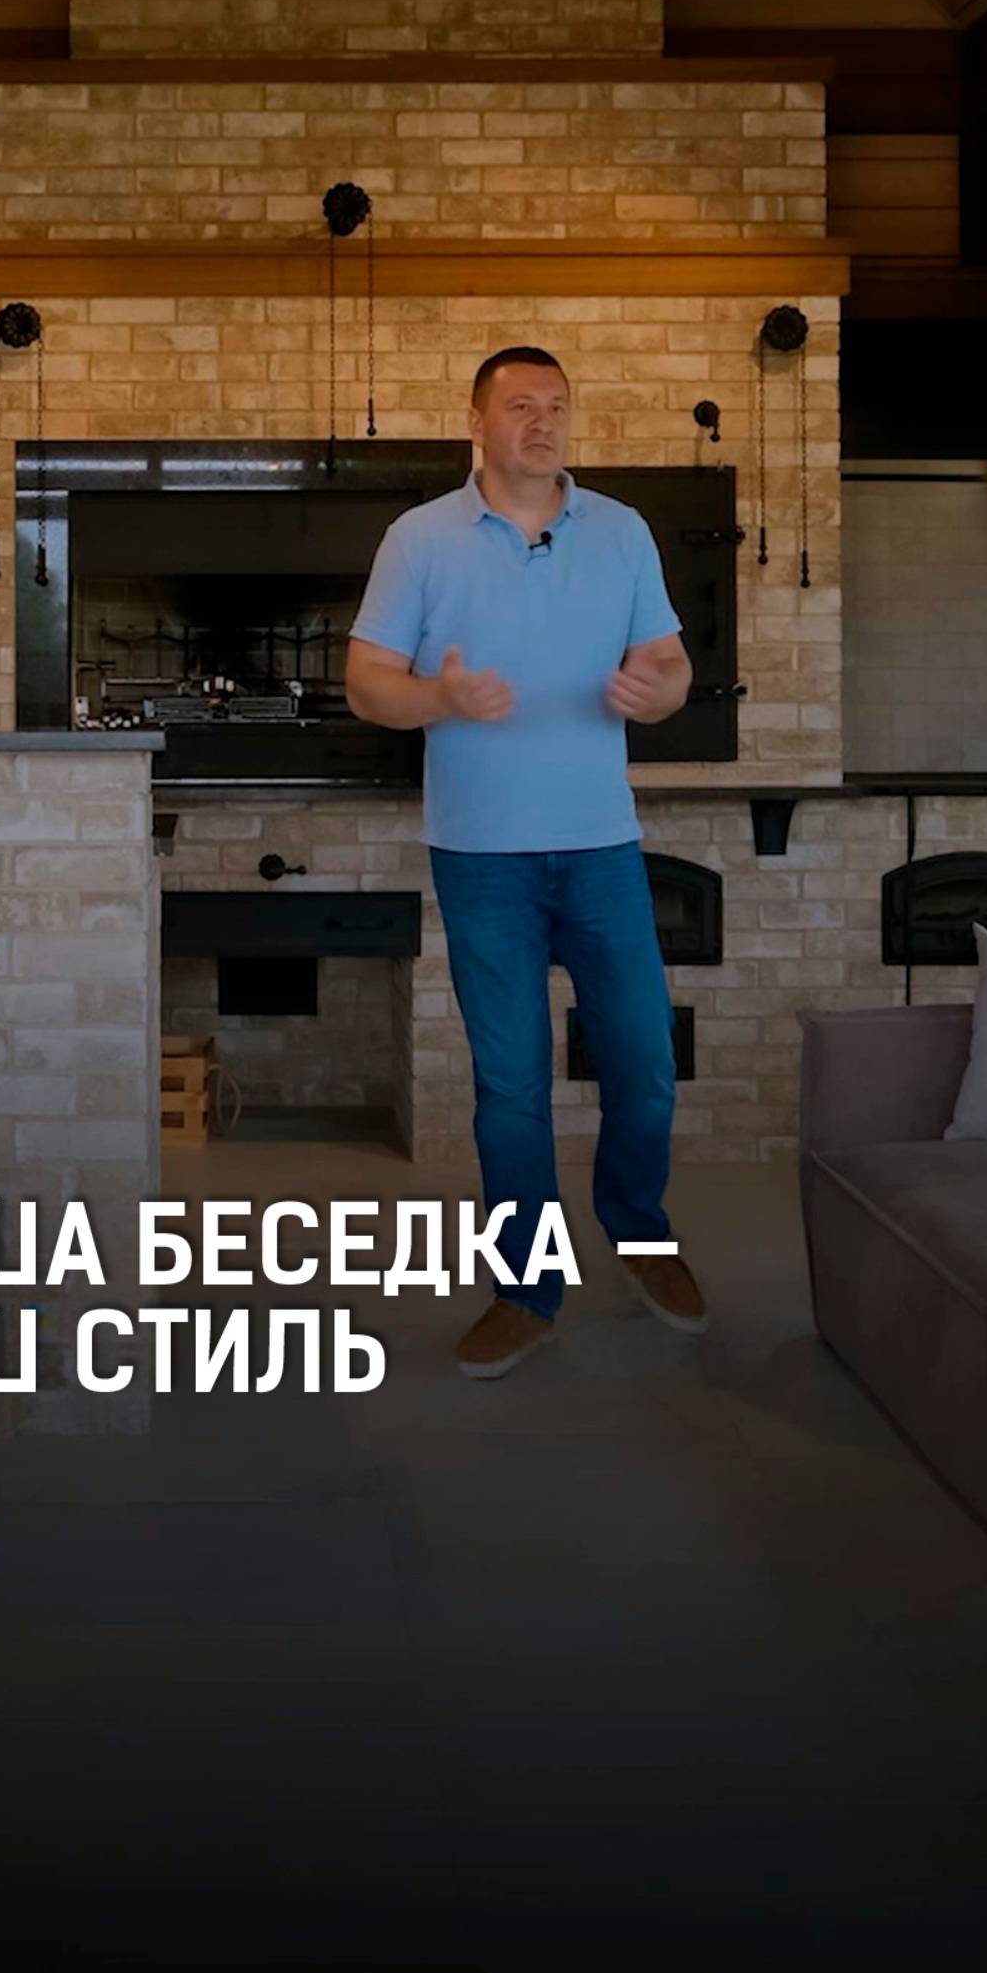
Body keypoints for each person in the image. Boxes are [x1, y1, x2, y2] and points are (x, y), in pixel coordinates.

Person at [345, 346, 706, 1380]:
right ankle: (526, 1289)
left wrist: (660, 692)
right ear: (476, 423)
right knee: (511, 1089)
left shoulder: (623, 531)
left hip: (603, 848)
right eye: (519, 407)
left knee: (643, 1065)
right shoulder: (419, 539)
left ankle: (639, 1231)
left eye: (556, 405)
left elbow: (670, 664)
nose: (542, 423)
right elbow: (367, 683)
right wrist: (440, 698)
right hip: (481, 856)